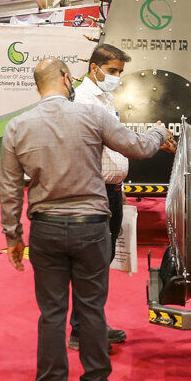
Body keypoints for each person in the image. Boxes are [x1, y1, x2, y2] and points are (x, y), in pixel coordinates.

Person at [0, 58, 175, 381]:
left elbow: (9, 190)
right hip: (92, 227)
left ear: (37, 87)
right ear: (66, 79)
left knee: (51, 313)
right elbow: (138, 147)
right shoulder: (91, 116)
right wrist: (158, 132)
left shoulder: (17, 127)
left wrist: (12, 236)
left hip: (46, 230)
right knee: (91, 308)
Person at [70, 43, 133, 351]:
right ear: (93, 68)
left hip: (112, 190)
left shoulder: (105, 97)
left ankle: (91, 325)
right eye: (111, 71)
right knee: (91, 265)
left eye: (120, 72)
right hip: (96, 191)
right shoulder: (84, 101)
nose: (116, 77)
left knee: (100, 262)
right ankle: (83, 332)